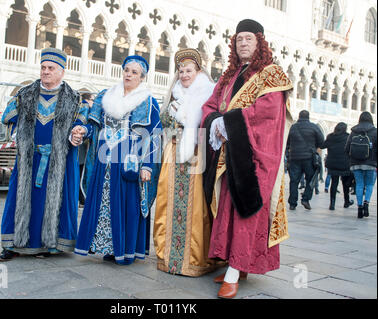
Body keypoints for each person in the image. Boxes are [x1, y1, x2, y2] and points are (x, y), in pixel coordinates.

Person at [200, 19, 293, 299]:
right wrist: (215, 121)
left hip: (255, 156)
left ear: (259, 42)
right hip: (229, 154)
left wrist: (227, 123)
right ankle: (235, 266)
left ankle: (234, 273)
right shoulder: (228, 76)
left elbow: (268, 113)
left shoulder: (271, 75)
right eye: (239, 39)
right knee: (228, 211)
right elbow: (210, 105)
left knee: (246, 213)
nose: (243, 43)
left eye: (248, 39)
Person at [0, 48, 90, 261]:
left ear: (61, 72)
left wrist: (77, 133)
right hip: (30, 159)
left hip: (59, 161)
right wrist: (18, 131)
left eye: (51, 68)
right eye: (43, 67)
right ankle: (11, 245)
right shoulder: (25, 94)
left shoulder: (74, 99)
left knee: (54, 201)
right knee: (18, 200)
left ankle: (50, 245)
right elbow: (8, 117)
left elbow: (82, 123)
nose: (45, 72)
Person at [75, 55, 162, 265]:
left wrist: (148, 166)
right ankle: (106, 246)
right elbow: (93, 126)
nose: (129, 75)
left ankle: (123, 249)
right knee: (103, 203)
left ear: (142, 77)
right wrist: (83, 130)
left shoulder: (148, 102)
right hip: (104, 160)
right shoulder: (106, 96)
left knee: (126, 204)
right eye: (126, 70)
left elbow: (155, 136)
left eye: (134, 72)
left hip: (129, 160)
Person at [153, 48, 216, 276]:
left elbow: (210, 123)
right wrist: (171, 115)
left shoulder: (208, 93)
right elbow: (165, 123)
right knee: (168, 201)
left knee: (196, 206)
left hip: (196, 152)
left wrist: (187, 118)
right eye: (181, 71)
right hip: (174, 150)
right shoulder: (174, 94)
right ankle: (170, 257)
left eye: (188, 70)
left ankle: (195, 259)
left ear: (198, 71)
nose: (184, 75)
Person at [286, 110, 324, 210]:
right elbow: (321, 143)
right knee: (310, 179)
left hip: (294, 157)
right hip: (309, 158)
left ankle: (292, 203)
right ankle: (305, 199)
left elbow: (287, 142)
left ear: (299, 116)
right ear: (308, 117)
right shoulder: (314, 127)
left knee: (294, 181)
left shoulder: (293, 127)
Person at [345, 111, 377, 218]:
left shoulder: (353, 132)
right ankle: (366, 204)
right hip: (371, 164)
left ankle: (359, 207)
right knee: (369, 185)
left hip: (356, 164)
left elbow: (347, 148)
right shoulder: (375, 131)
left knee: (359, 184)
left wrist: (351, 159)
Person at [320, 122, 354, 210]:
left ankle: (332, 204)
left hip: (333, 164)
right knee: (345, 184)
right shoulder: (348, 137)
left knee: (334, 183)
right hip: (345, 164)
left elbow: (323, 146)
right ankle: (346, 202)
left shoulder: (331, 137)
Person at [78, 92, 95, 207]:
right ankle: (82, 199)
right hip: (81, 150)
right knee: (80, 173)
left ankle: (82, 199)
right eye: (92, 100)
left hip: (83, 150)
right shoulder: (85, 108)